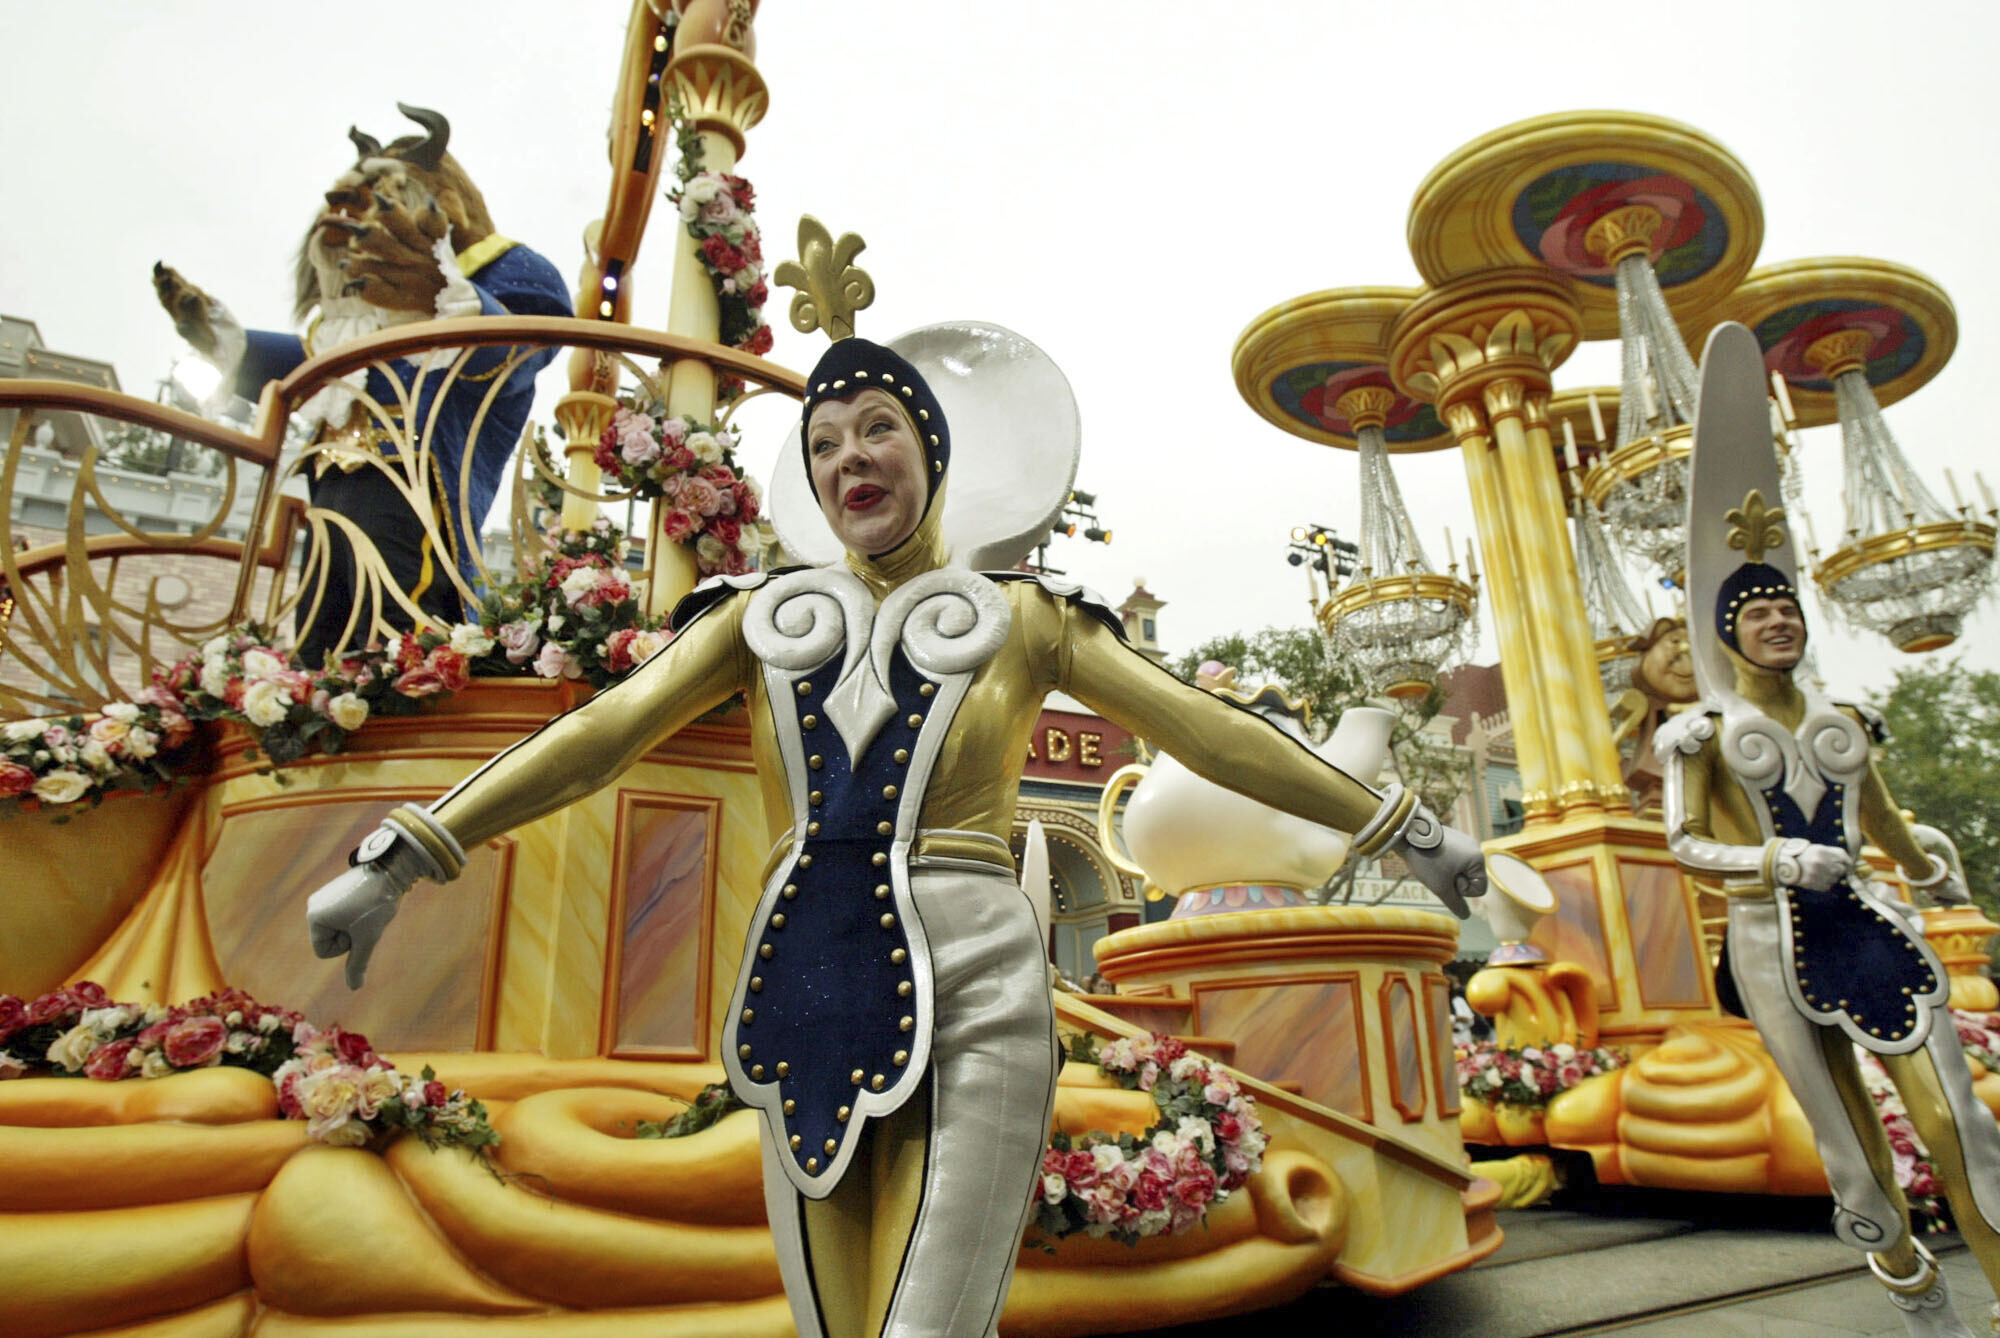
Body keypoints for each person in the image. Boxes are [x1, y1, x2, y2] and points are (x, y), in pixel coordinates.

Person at [303, 333, 1487, 1338]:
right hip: (799, 985)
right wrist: (400, 856)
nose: (848, 457)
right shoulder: (757, 620)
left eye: (876, 428)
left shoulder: (1025, 617)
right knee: (832, 1320)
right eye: (823, 442)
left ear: (931, 453)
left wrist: (1405, 823)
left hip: (975, 968)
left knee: (929, 1318)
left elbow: (1213, 733)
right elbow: (600, 733)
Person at [1659, 323, 2000, 1338]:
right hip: (1767, 943)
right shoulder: (1703, 735)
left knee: (1958, 1126)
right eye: (1756, 615)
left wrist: (1923, 860)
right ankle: (1919, 1303)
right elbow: (1683, 846)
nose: (1777, 623)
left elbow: (1884, 821)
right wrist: (1770, 857)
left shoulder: (1847, 723)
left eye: (1787, 611)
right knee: (1850, 1149)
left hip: (1868, 925)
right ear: (1725, 632)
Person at [154, 104, 570, 666]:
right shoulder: (353, 321)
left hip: (415, 483)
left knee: (403, 641)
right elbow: (306, 364)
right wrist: (221, 337)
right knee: (319, 647)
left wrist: (443, 293)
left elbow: (521, 348)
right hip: (328, 485)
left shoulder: (506, 270)